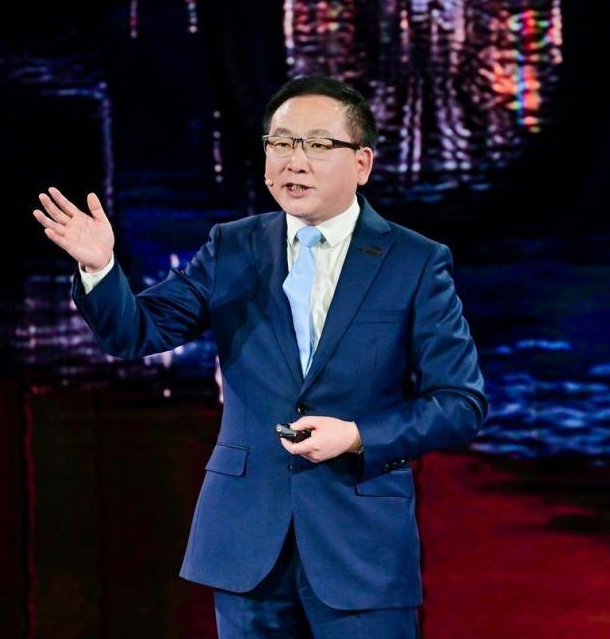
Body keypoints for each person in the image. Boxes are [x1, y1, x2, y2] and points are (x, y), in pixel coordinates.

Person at [32, 75, 487, 638]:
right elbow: (136, 334)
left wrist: (355, 435)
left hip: (361, 548)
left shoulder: (415, 262)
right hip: (246, 544)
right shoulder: (233, 246)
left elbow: (460, 403)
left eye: (318, 144)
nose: (295, 160)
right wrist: (100, 268)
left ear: (362, 163)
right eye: (281, 143)